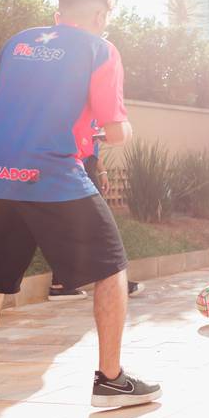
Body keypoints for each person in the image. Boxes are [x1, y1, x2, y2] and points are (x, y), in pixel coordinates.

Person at [0, 0, 161, 416]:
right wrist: (114, 128)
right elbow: (116, 132)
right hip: (51, 173)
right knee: (111, 269)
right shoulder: (99, 49)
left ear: (58, 13)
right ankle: (111, 381)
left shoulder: (14, 44)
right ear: (99, 17)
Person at [48, 128, 144, 301]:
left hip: (85, 166)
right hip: (75, 166)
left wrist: (102, 170)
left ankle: (60, 284)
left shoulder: (89, 109)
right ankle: (115, 283)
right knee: (99, 227)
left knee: (80, 226)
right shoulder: (77, 103)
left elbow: (93, 144)